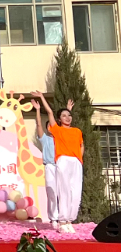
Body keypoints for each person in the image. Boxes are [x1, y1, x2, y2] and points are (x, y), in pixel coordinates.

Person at [35, 91, 83, 233]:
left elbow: (81, 145)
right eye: (64, 116)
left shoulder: (77, 131)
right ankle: (62, 221)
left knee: (76, 191)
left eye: (69, 115)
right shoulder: (57, 130)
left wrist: (79, 159)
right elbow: (50, 112)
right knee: (64, 190)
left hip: (76, 162)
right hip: (63, 160)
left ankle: (69, 220)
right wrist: (42, 98)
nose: (67, 118)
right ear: (59, 119)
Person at [31, 98, 58, 226]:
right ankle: (54, 218)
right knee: (52, 192)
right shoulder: (45, 139)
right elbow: (38, 125)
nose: (51, 127)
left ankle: (63, 217)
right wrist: (37, 110)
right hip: (50, 167)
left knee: (63, 192)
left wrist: (69, 110)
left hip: (61, 166)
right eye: (49, 126)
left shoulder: (60, 138)